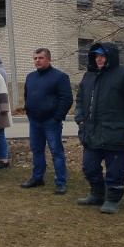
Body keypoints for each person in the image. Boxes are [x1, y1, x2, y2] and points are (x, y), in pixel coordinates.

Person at [74, 43, 124, 214]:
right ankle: (97, 194)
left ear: (110, 56)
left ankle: (112, 199)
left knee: (115, 169)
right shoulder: (88, 76)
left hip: (116, 133)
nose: (98, 59)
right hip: (91, 133)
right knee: (89, 166)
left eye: (102, 55)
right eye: (95, 56)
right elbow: (80, 98)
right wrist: (79, 118)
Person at [22, 48, 73, 194]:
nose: (37, 60)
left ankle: (60, 181)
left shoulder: (60, 77)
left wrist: (57, 116)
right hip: (35, 121)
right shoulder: (30, 77)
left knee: (56, 151)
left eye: (41, 58)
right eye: (35, 58)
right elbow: (27, 95)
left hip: (51, 121)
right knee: (37, 150)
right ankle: (37, 177)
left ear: (49, 59)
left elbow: (66, 98)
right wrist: (29, 110)